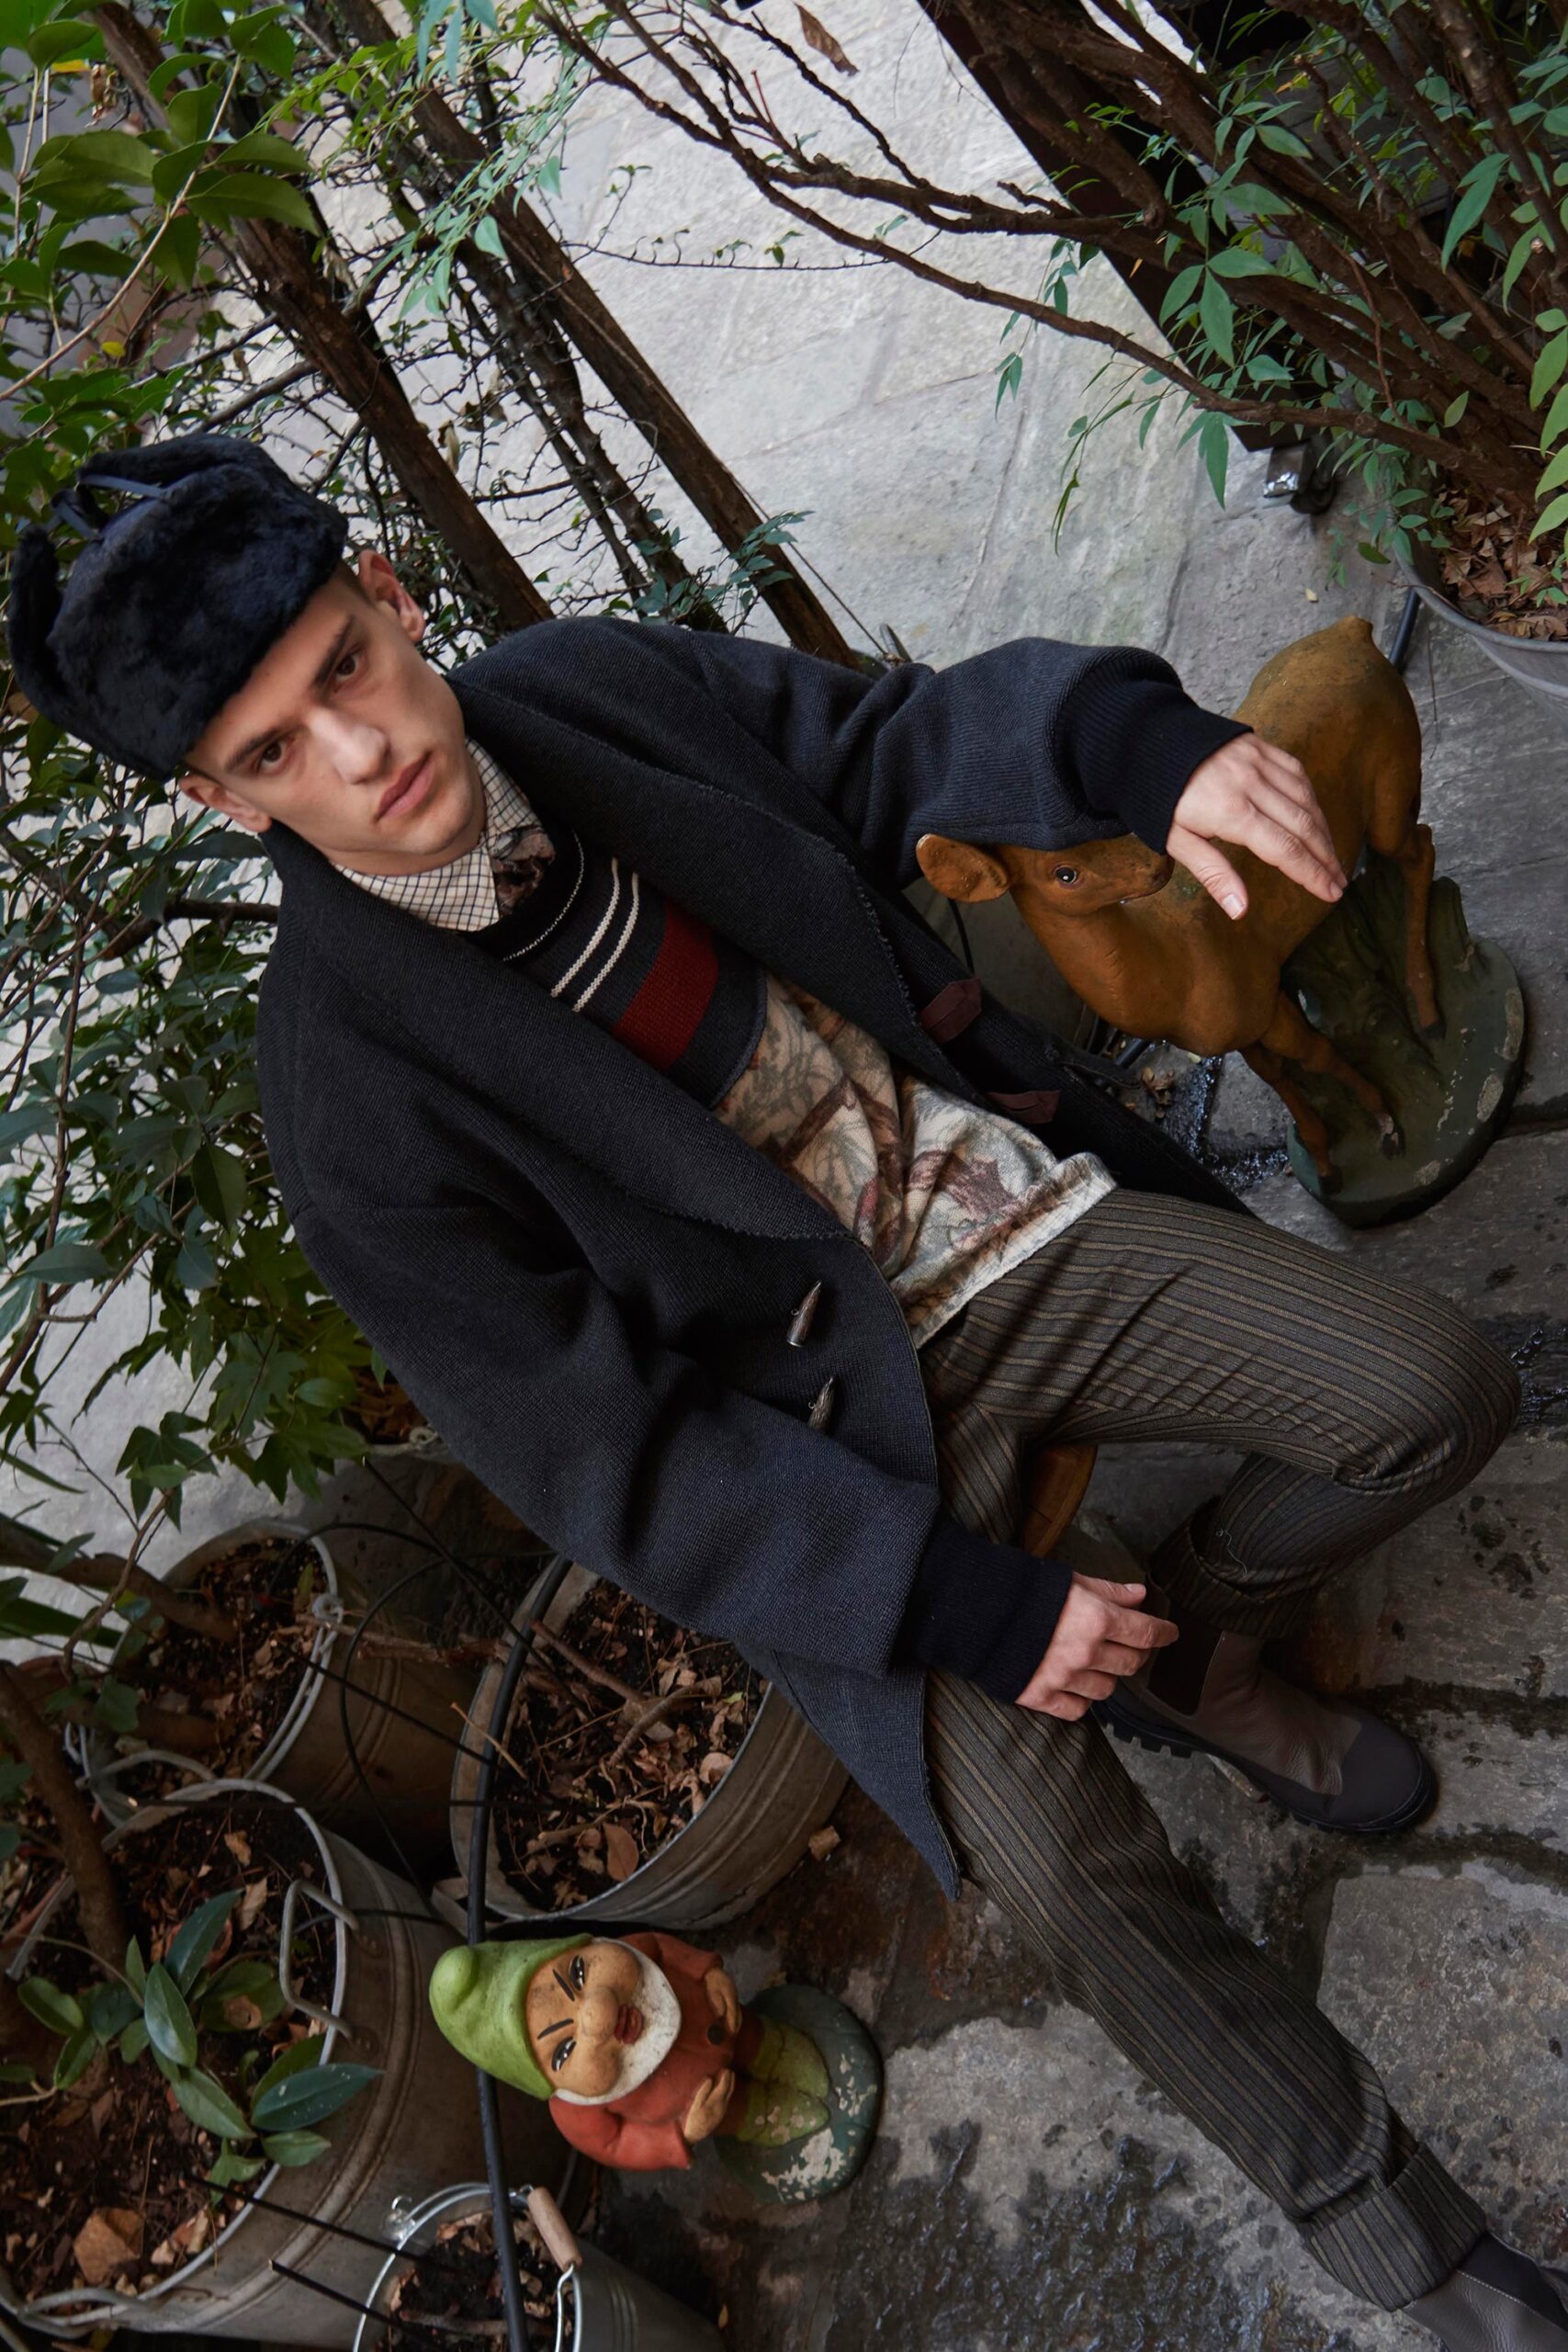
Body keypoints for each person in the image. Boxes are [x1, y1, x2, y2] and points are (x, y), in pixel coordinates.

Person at [9, 434, 1562, 2352]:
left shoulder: (587, 694)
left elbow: (885, 741)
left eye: (341, 665)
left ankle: (1192, 1648)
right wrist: (966, 1604)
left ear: (392, 599)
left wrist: (1147, 749)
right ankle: (1410, 2246)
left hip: (1005, 1232)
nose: (352, 752)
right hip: (834, 1463)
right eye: (268, 753)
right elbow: (618, 1457)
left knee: (1432, 1381)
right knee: (1069, 1870)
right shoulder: (348, 1109)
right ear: (216, 800)